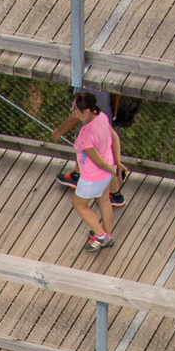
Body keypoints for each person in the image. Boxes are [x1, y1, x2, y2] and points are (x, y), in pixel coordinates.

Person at [57, 91, 119, 250]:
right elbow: (115, 138)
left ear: (85, 111)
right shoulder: (102, 117)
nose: (72, 111)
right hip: (106, 175)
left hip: (93, 177)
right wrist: (115, 165)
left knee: (79, 205)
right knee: (104, 200)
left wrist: (111, 168)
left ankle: (101, 236)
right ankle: (107, 233)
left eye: (75, 109)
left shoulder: (86, 135)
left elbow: (98, 161)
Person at [53, 89, 127, 211]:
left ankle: (114, 194)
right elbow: (115, 137)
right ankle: (78, 174)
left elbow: (76, 114)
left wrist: (58, 132)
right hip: (105, 122)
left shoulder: (86, 86)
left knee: (100, 158)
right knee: (101, 154)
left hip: (95, 129)